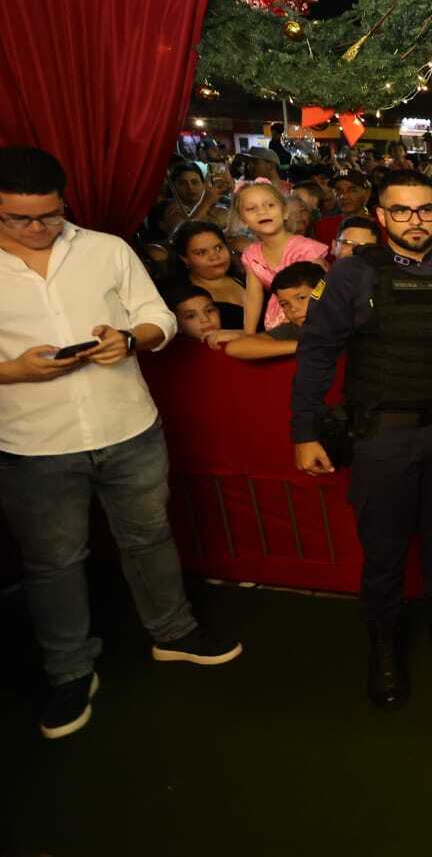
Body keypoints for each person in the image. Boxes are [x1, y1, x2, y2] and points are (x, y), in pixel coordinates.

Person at [0, 146, 241, 740]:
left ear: (65, 202)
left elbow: (160, 317)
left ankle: (173, 633)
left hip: (128, 424)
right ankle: (69, 671)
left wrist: (130, 339)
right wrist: (15, 371)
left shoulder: (105, 249)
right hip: (33, 439)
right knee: (53, 562)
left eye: (49, 215)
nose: (37, 228)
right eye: (19, 219)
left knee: (149, 535)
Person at [290, 170, 432, 710]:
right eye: (402, 211)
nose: (416, 220)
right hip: (384, 434)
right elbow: (316, 352)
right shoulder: (353, 274)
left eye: (426, 210)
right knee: (385, 548)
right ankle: (384, 649)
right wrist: (304, 431)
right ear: (381, 216)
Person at [235, 181, 327, 333]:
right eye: (252, 208)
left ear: (285, 212)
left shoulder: (306, 249)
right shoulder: (252, 254)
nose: (262, 212)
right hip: (276, 321)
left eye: (270, 205)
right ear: (243, 220)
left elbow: (324, 288)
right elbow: (253, 297)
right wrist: (249, 334)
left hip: (312, 319)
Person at [170, 219, 247, 328]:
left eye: (218, 248)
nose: (215, 257)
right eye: (201, 252)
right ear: (185, 259)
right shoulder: (184, 299)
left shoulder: (247, 278)